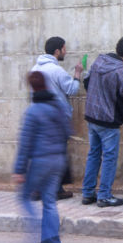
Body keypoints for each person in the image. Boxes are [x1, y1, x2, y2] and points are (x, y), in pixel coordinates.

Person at [81, 36, 123, 208]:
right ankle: (104, 196)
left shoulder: (99, 61)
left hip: (92, 116)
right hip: (108, 120)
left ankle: (88, 194)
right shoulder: (122, 71)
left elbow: (87, 83)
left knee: (94, 155)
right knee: (109, 158)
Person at [12, 71, 71, 243]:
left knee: (24, 197)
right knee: (50, 201)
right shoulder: (59, 107)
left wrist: (19, 169)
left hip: (40, 162)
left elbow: (25, 143)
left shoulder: (32, 111)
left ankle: (36, 225)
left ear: (31, 88)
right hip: (58, 160)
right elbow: (67, 132)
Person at [31, 36, 83, 200]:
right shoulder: (56, 70)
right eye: (64, 49)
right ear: (57, 51)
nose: (65, 52)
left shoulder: (35, 69)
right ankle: (54, 189)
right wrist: (77, 74)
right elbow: (72, 90)